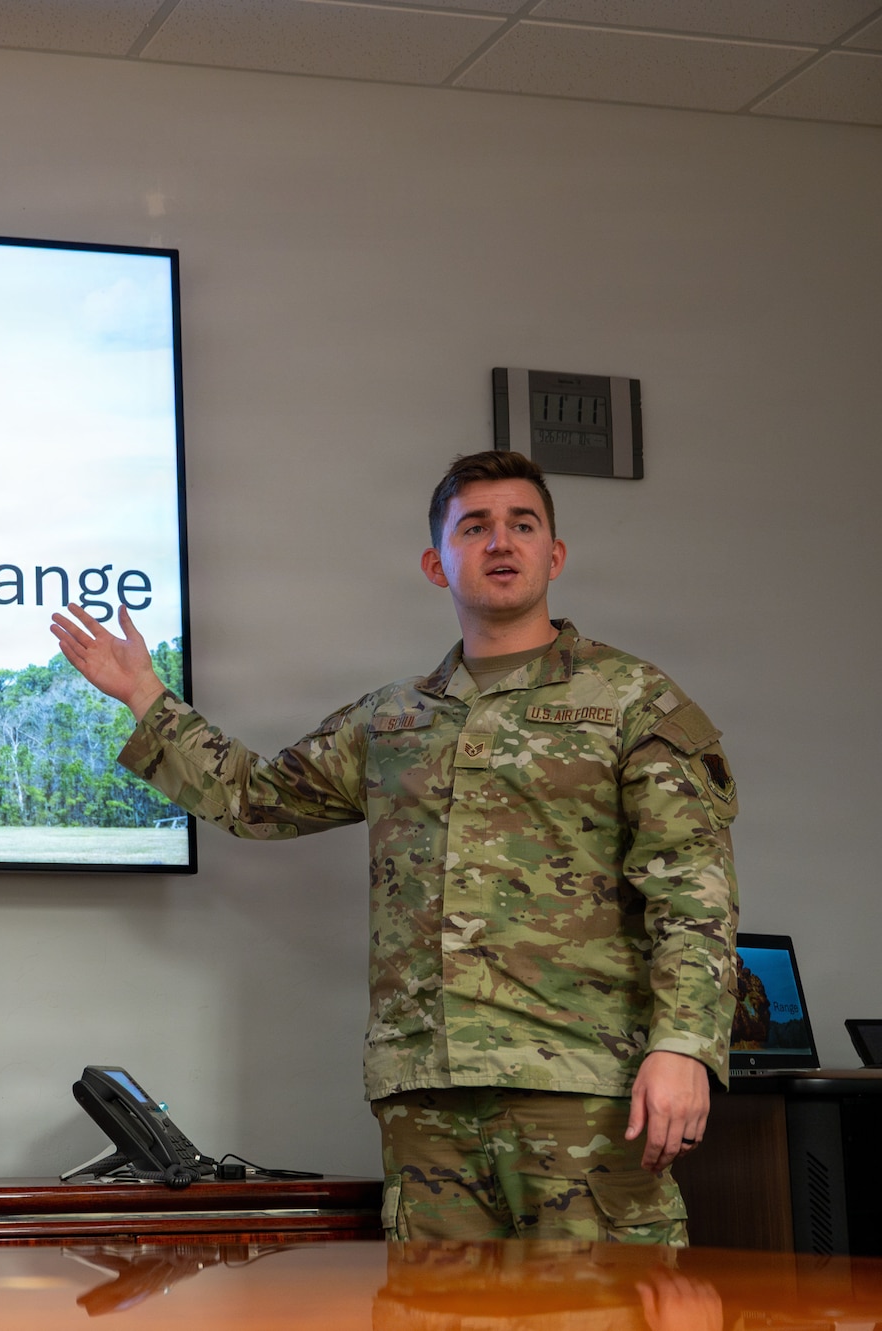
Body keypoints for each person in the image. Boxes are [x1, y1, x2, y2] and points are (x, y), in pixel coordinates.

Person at [51, 450, 739, 1245]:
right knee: (432, 1306)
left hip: (583, 1087)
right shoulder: (391, 720)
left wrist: (685, 1045)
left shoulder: (631, 699)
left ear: (554, 555)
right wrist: (143, 693)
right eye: (474, 527)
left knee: (602, 1304)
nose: (500, 541)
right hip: (425, 1097)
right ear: (436, 564)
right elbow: (255, 798)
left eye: (522, 524)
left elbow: (693, 890)